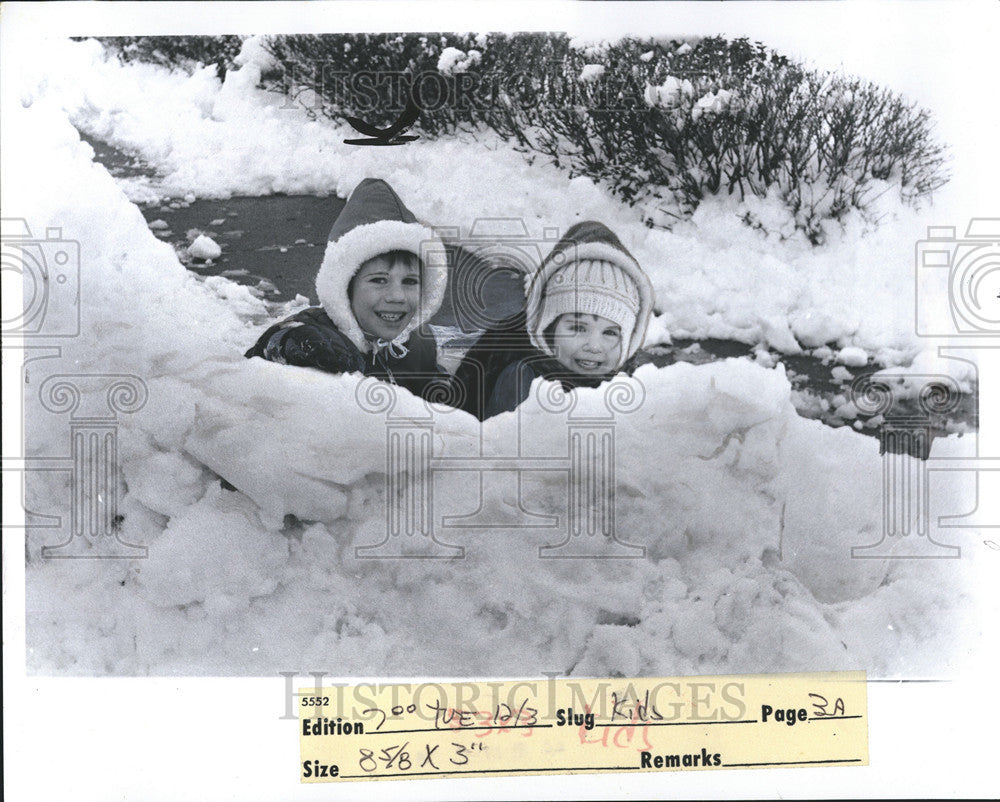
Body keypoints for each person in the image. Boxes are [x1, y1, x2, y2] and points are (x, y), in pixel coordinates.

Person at [245, 178, 451, 398]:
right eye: (379, 280)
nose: (397, 296)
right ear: (345, 287)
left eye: (410, 281)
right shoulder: (320, 339)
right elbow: (277, 342)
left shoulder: (418, 345)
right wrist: (292, 343)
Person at [454, 220, 655, 420]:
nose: (594, 346)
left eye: (610, 332)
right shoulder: (521, 382)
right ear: (549, 328)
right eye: (578, 327)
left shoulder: (641, 386)